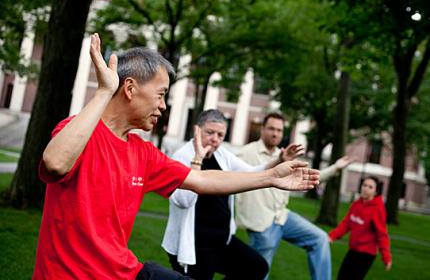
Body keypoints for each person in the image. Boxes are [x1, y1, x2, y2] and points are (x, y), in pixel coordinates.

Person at [33, 34, 321, 280]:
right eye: (160, 95)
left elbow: (201, 180)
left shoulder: (142, 152)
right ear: (130, 88)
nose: (163, 106)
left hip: (123, 271)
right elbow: (55, 163)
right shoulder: (78, 131)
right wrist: (105, 91)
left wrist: (270, 177)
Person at [162, 109, 305, 280]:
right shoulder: (181, 157)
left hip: (220, 241)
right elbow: (183, 201)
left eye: (220, 135)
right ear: (197, 130)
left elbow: (252, 173)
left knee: (256, 267)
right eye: (210, 132)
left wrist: (279, 160)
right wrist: (197, 160)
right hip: (193, 244)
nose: (215, 139)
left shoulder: (222, 155)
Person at [235, 112, 354, 280]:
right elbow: (233, 180)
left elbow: (308, 177)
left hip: (282, 217)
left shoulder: (286, 155)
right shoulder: (245, 153)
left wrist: (336, 167)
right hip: (261, 224)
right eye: (271, 129)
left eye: (279, 130)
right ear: (262, 129)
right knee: (260, 271)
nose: (275, 133)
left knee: (319, 239)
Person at [329, 176, 392, 280]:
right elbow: (346, 224)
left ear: (375, 192)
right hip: (353, 250)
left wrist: (386, 257)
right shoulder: (357, 204)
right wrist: (331, 236)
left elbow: (382, 235)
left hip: (366, 254)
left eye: (370, 187)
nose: (366, 188)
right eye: (364, 185)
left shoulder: (378, 209)